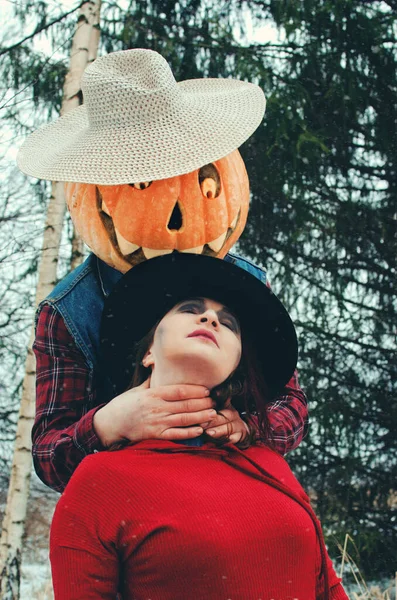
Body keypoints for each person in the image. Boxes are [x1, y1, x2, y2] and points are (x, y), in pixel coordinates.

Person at [17, 49, 308, 492]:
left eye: (199, 180)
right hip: (130, 508)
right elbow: (49, 458)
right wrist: (110, 422)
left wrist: (250, 425)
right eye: (142, 183)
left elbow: (291, 407)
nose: (175, 215)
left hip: (235, 494)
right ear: (93, 188)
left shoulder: (247, 287)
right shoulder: (68, 312)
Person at [49, 253, 348, 600]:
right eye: (190, 309)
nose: (209, 317)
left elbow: (329, 588)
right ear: (148, 352)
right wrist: (105, 424)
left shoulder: (268, 463)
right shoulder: (98, 481)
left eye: (229, 323)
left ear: (236, 366)